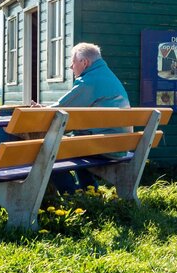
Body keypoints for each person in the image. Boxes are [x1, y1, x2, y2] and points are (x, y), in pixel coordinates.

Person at [49, 42, 130, 192]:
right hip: (120, 145)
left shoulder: (89, 81)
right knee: (80, 140)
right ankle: (89, 191)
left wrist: (40, 109)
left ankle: (70, 193)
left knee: (48, 150)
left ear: (84, 62)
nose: (71, 67)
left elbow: (60, 109)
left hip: (104, 147)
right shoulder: (108, 76)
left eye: (73, 62)